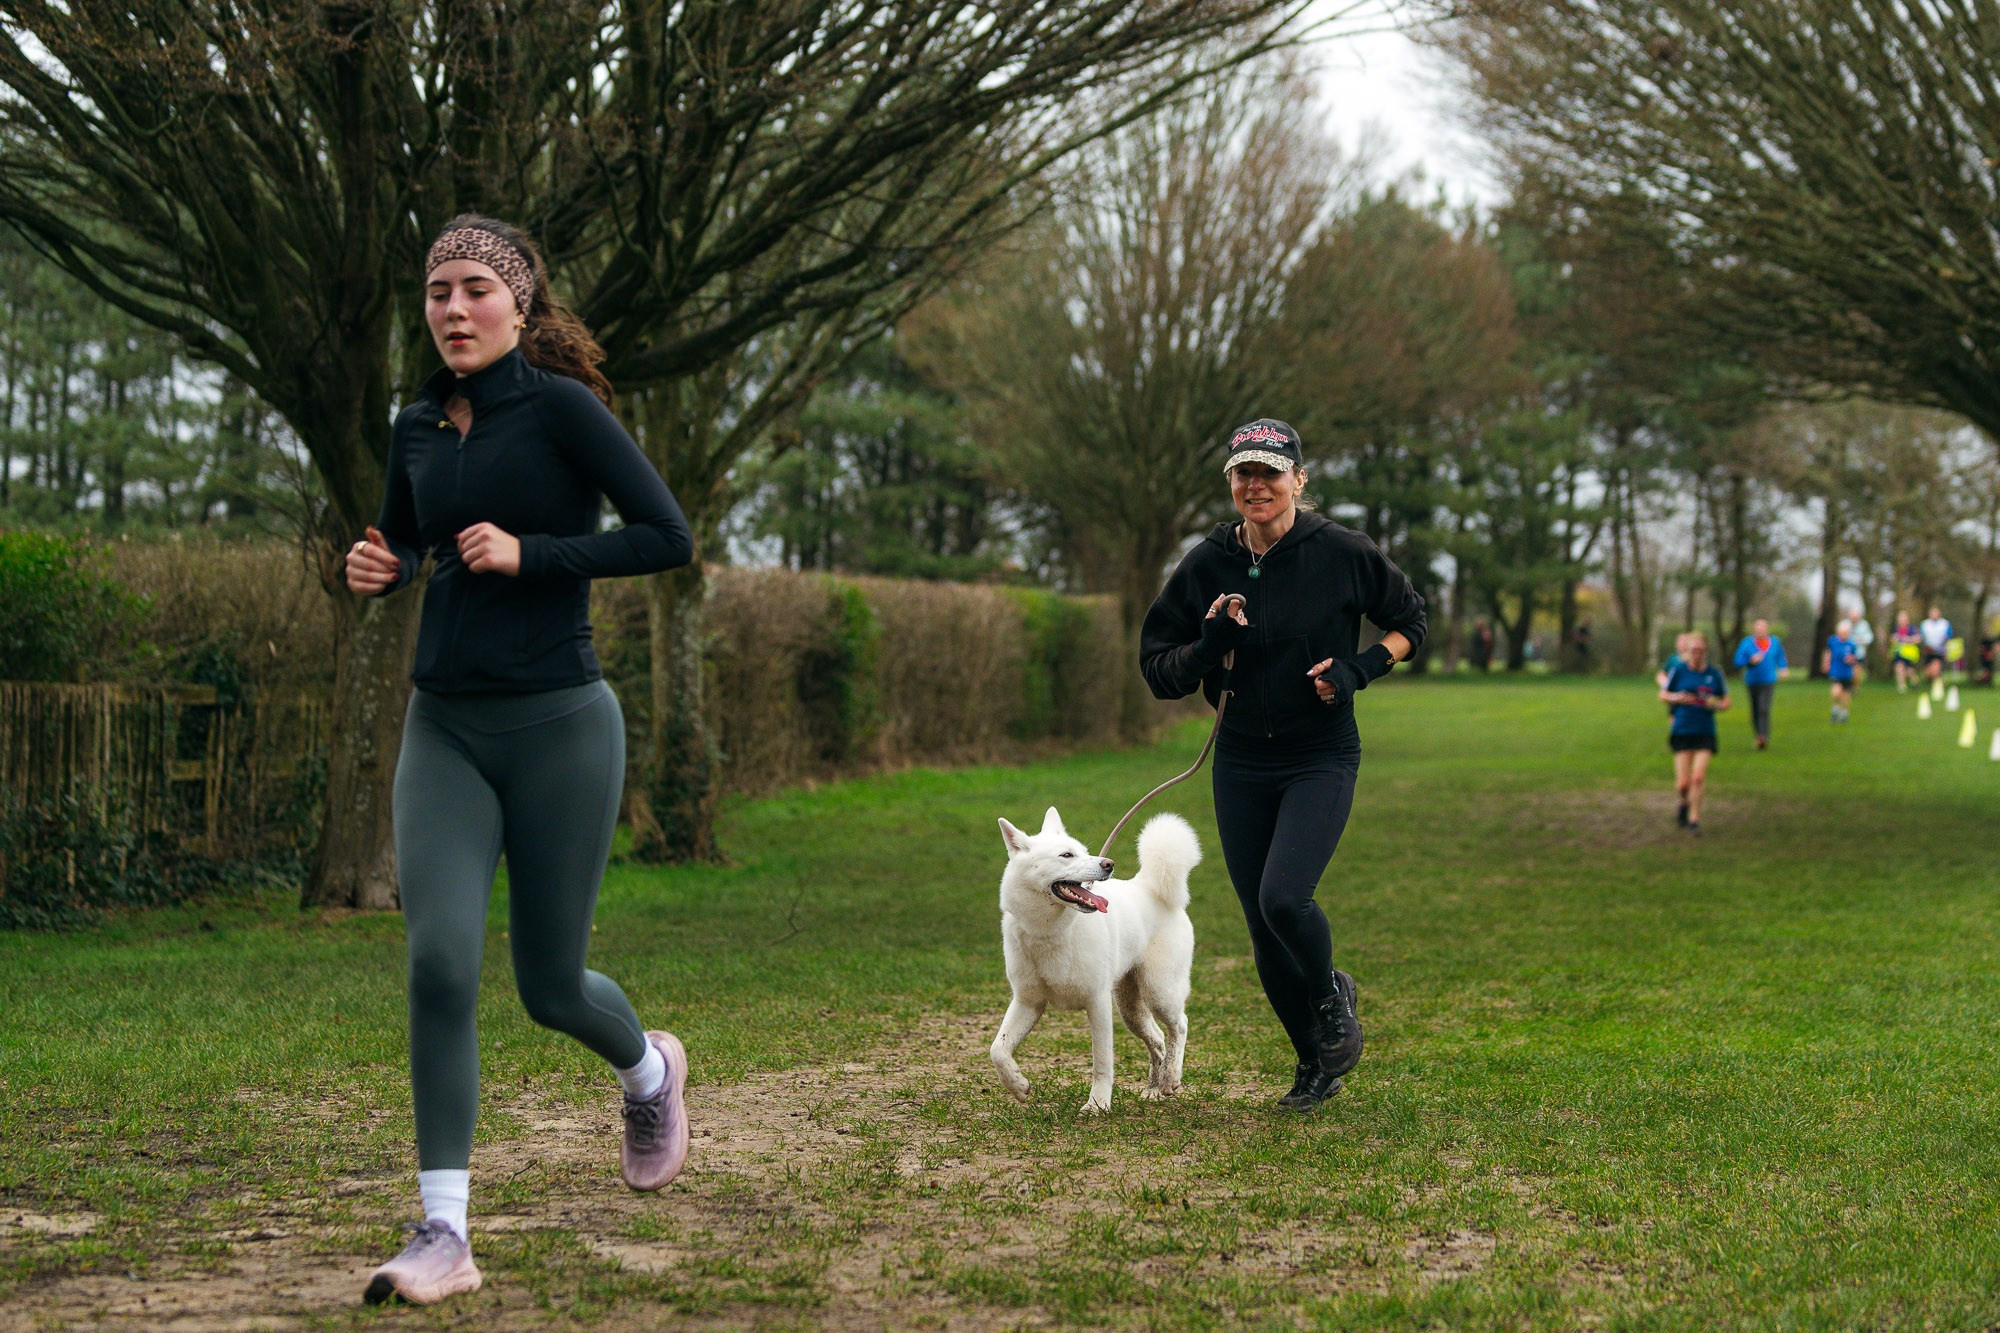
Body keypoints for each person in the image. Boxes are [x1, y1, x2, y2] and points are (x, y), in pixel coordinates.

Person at [344, 215, 696, 1306]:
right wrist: (384, 561)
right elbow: (408, 535)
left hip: (560, 727)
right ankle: (443, 1231)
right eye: (437, 291)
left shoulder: (564, 410)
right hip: (444, 727)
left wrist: (529, 552)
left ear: (519, 303)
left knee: (549, 986)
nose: (453, 308)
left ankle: (650, 1070)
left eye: (475, 289)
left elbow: (666, 536)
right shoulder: (415, 423)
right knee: (441, 962)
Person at [1140, 418, 1426, 1113]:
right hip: (1240, 758)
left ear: (1298, 479)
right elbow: (1158, 671)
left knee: (1283, 898)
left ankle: (1330, 997)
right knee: (1263, 928)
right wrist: (1208, 644)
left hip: (1319, 753)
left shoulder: (1343, 552)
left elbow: (1410, 623)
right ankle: (1312, 1063)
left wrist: (1358, 669)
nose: (1256, 485)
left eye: (1270, 472)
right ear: (1231, 483)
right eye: (1244, 473)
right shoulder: (1206, 563)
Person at [1660, 632, 1727, 834]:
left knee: (1698, 777)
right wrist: (1677, 698)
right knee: (1683, 784)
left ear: (1706, 652)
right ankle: (1683, 802)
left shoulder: (1714, 673)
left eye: (1701, 651)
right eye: (1693, 651)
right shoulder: (1679, 671)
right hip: (1682, 729)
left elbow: (1726, 701)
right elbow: (1663, 695)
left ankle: (1694, 819)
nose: (1697, 654)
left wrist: (1716, 704)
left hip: (1705, 731)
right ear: (1687, 652)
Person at [1731, 618, 1788, 750]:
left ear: (1767, 630)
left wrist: (1783, 668)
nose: (1760, 631)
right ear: (1754, 630)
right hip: (1752, 681)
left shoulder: (1775, 642)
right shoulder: (1746, 643)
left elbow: (1780, 656)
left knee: (1764, 708)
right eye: (1758, 629)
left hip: (1768, 680)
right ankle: (1758, 734)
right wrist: (1750, 661)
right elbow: (1737, 661)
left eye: (1762, 628)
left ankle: (1763, 737)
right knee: (1755, 709)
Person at [1823, 619, 1860, 723]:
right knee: (1836, 692)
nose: (1843, 635)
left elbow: (1855, 659)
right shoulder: (1832, 641)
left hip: (1847, 672)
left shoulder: (1851, 644)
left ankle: (1844, 712)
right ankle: (1835, 709)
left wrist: (1851, 660)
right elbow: (1828, 652)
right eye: (1841, 633)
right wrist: (1826, 663)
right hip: (1835, 671)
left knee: (1845, 694)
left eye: (1845, 633)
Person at [1919, 605, 1953, 685]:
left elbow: (1948, 637)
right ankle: (1934, 682)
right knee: (1928, 673)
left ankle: (1937, 684)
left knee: (1936, 669)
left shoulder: (1945, 624)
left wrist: (1947, 650)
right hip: (1928, 651)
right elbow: (1921, 637)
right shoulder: (1924, 624)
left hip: (1939, 651)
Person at [1890, 610, 1921, 692]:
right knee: (1899, 667)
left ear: (1908, 619)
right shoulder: (1895, 628)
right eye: (1900, 618)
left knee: (1909, 671)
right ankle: (1902, 686)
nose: (1901, 620)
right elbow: (1892, 638)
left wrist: (1908, 639)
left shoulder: (1912, 629)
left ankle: (1915, 682)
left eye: (1903, 618)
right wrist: (1895, 639)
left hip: (1909, 654)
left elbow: (1918, 639)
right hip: (1899, 652)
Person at [1847, 606, 1874, 684]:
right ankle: (1848, 685)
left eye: (1855, 617)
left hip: (1859, 653)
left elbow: (1870, 638)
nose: (1854, 619)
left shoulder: (1864, 625)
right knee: (1849, 671)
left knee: (1856, 671)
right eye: (1853, 617)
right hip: (1847, 653)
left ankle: (1855, 686)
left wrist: (1862, 640)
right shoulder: (1846, 624)